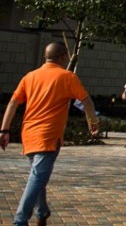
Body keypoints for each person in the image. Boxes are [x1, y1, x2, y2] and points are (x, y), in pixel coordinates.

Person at [1, 42, 100, 226]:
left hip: (28, 134)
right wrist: (93, 123)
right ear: (63, 57)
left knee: (36, 176)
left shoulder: (30, 76)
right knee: (37, 177)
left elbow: (13, 103)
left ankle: (42, 211)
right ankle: (20, 221)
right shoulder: (67, 76)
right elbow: (87, 101)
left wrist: (4, 130)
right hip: (49, 136)